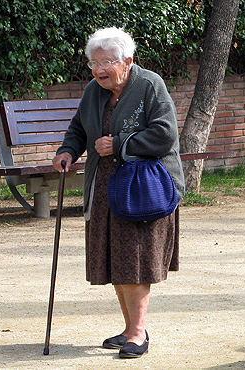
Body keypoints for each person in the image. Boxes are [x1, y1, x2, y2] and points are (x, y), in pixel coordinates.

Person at [52, 26, 185, 359]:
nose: (99, 70)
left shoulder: (149, 85)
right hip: (105, 189)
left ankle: (138, 334)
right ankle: (129, 329)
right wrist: (68, 150)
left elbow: (164, 134)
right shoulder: (93, 92)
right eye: (94, 63)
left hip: (144, 190)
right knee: (116, 259)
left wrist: (120, 145)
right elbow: (79, 128)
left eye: (106, 62)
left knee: (136, 261)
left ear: (127, 60)